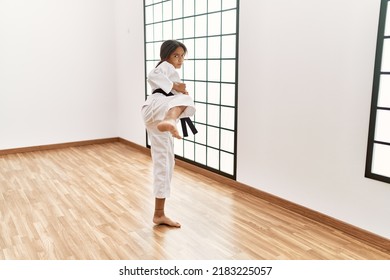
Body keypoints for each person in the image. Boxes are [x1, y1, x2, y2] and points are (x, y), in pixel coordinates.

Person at [141, 40, 196, 227]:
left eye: (182, 56)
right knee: (187, 99)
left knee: (165, 162)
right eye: (176, 55)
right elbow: (153, 75)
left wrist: (176, 89)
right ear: (166, 56)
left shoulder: (169, 70)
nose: (180, 59)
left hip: (153, 115)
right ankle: (171, 120)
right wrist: (176, 86)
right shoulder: (164, 67)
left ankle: (159, 214)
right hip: (158, 108)